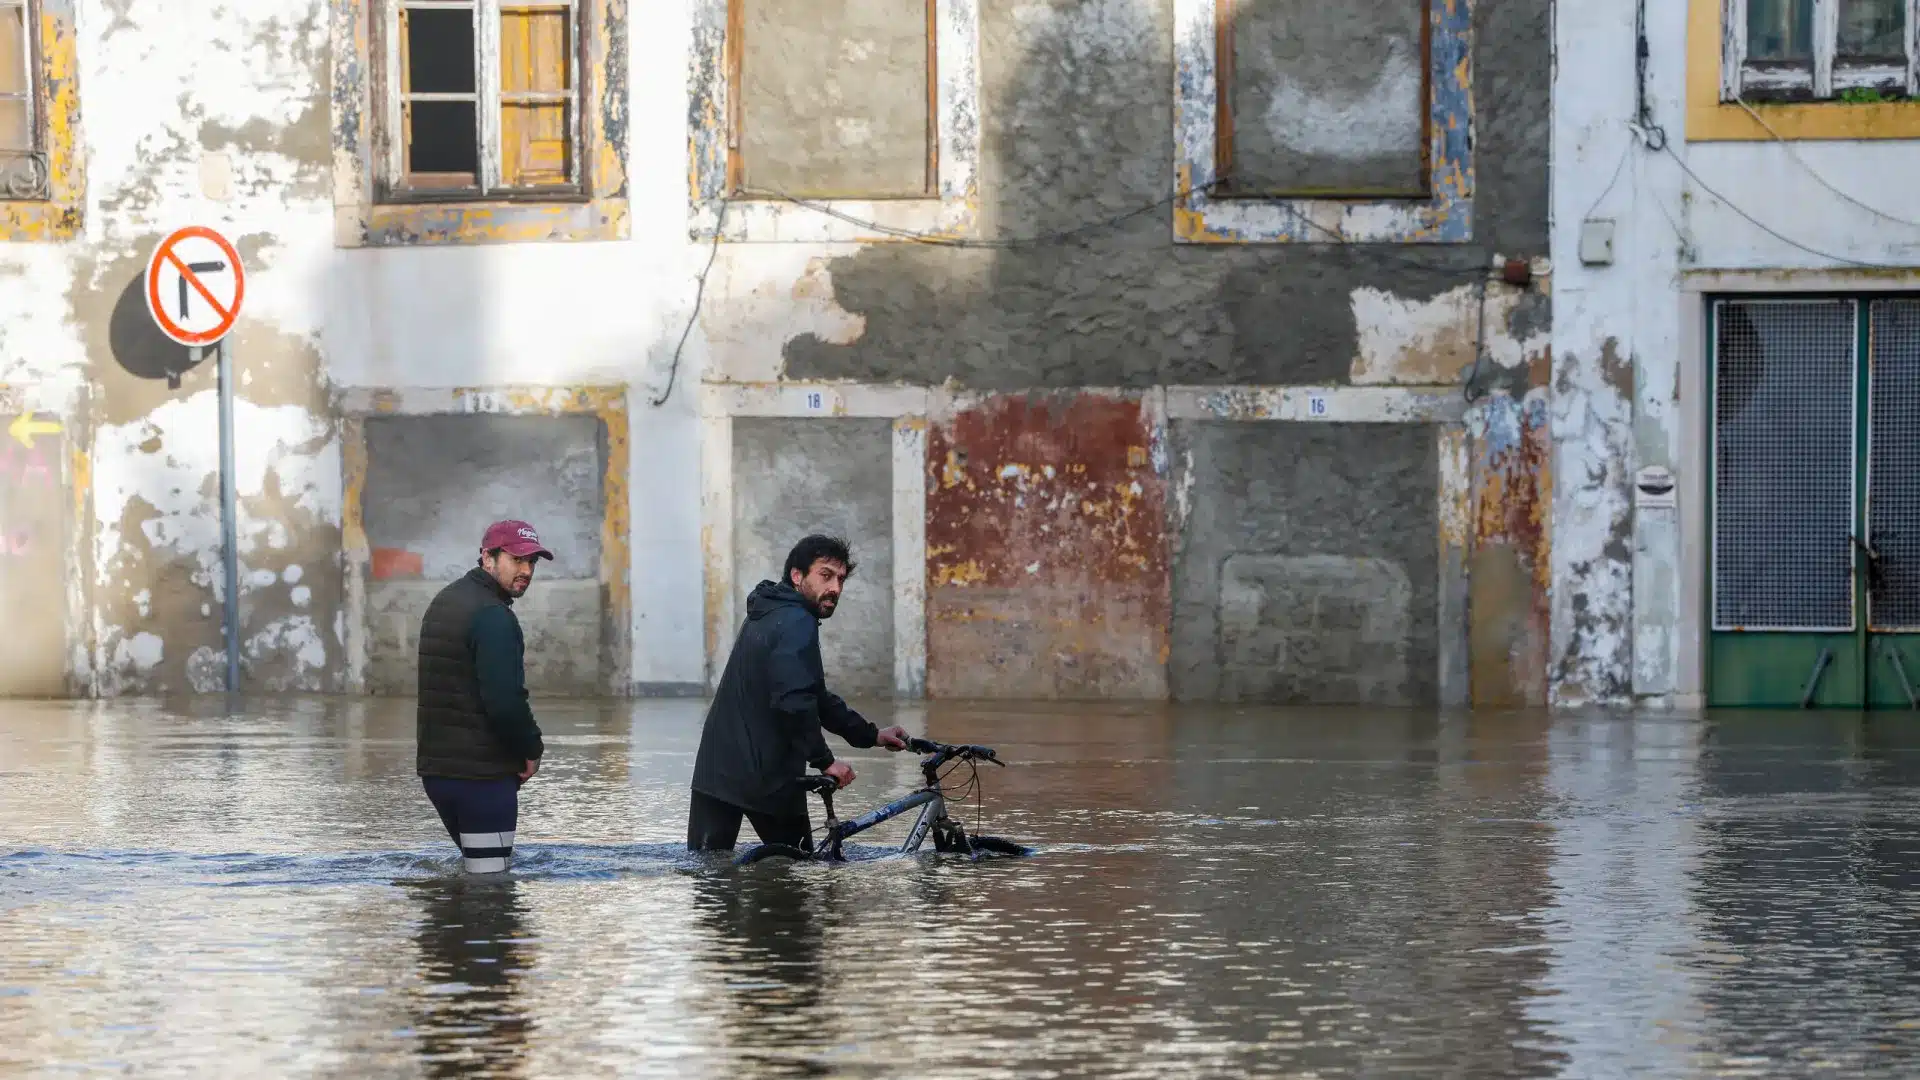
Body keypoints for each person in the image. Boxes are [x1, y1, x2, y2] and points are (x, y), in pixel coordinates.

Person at [688, 534, 909, 852]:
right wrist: (825, 761)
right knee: (797, 885)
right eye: (825, 575)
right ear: (797, 575)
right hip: (768, 780)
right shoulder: (796, 622)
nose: (835, 588)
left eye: (841, 579)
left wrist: (871, 735)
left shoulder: (768, 613)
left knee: (709, 881)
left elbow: (814, 697)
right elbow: (795, 702)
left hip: (715, 774)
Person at [415, 519, 551, 874]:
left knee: (469, 890)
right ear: (487, 557)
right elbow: (506, 703)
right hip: (482, 780)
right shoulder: (494, 616)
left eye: (532, 562)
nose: (526, 570)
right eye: (516, 559)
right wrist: (531, 749)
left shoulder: (446, 601)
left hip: (439, 774)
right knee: (491, 896)